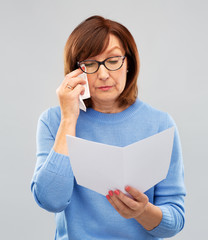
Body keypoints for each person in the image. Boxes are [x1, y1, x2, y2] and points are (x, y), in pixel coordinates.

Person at [31, 15, 186, 239]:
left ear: (128, 63)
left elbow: (175, 221)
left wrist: (143, 212)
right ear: (76, 70)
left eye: (113, 61)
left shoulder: (160, 124)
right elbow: (51, 200)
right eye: (90, 64)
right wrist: (68, 119)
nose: (103, 74)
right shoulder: (53, 121)